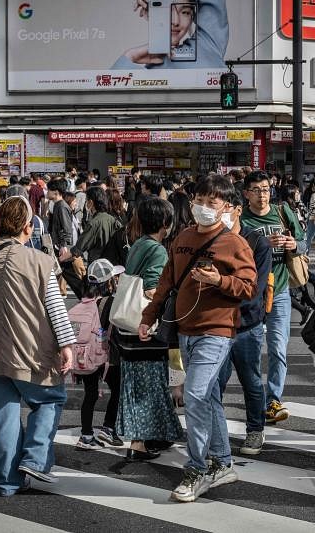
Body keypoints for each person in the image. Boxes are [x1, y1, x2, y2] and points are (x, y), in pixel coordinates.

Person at [138, 175, 256, 503]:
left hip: (217, 330)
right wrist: (149, 316)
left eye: (212, 202)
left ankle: (196, 468)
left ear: (226, 207)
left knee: (195, 394)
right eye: (199, 200)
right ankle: (223, 462)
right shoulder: (183, 237)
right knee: (207, 398)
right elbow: (167, 281)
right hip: (186, 330)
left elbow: (249, 288)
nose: (203, 207)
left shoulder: (236, 243)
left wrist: (219, 279)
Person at [0, 196, 76, 496]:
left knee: (3, 412)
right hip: (30, 350)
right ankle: (34, 458)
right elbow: (55, 308)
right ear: (27, 227)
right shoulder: (40, 261)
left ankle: (6, 481)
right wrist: (67, 344)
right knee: (49, 399)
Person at [117, 196, 183, 461]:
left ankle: (155, 435)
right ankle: (139, 443)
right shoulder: (157, 250)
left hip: (127, 327)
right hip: (144, 326)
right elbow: (151, 287)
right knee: (149, 386)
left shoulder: (138, 245)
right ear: (165, 222)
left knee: (138, 385)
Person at [240, 170, 306, 425]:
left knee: (278, 347)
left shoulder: (282, 212)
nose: (262, 195)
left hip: (279, 290)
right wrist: (262, 243)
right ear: (246, 194)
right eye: (256, 190)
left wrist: (292, 244)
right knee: (253, 350)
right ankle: (257, 397)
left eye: (266, 189)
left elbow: (302, 241)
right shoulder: (241, 218)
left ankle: (273, 399)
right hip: (252, 292)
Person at [218, 193, 272, 455]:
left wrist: (220, 286)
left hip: (247, 324)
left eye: (224, 206)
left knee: (250, 379)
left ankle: (255, 430)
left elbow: (255, 289)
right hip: (216, 324)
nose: (219, 212)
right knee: (215, 382)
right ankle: (214, 432)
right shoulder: (212, 239)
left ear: (238, 209)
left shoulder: (257, 241)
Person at [74, 259, 124, 451]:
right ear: (108, 281)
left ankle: (86, 435)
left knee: (91, 394)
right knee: (117, 389)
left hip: (84, 356)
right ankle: (108, 427)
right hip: (106, 356)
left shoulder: (84, 301)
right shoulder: (111, 301)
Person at [114, 0, 227, 70]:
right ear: (147, 13)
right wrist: (131, 55)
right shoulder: (149, 74)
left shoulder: (208, 44)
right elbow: (106, 96)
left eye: (185, 12)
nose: (175, 21)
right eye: (166, 10)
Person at [60, 187, 121, 299]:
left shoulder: (94, 223)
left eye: (86, 200)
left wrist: (60, 260)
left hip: (97, 270)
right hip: (112, 269)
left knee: (89, 299)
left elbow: (78, 249)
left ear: (91, 202)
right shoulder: (112, 219)